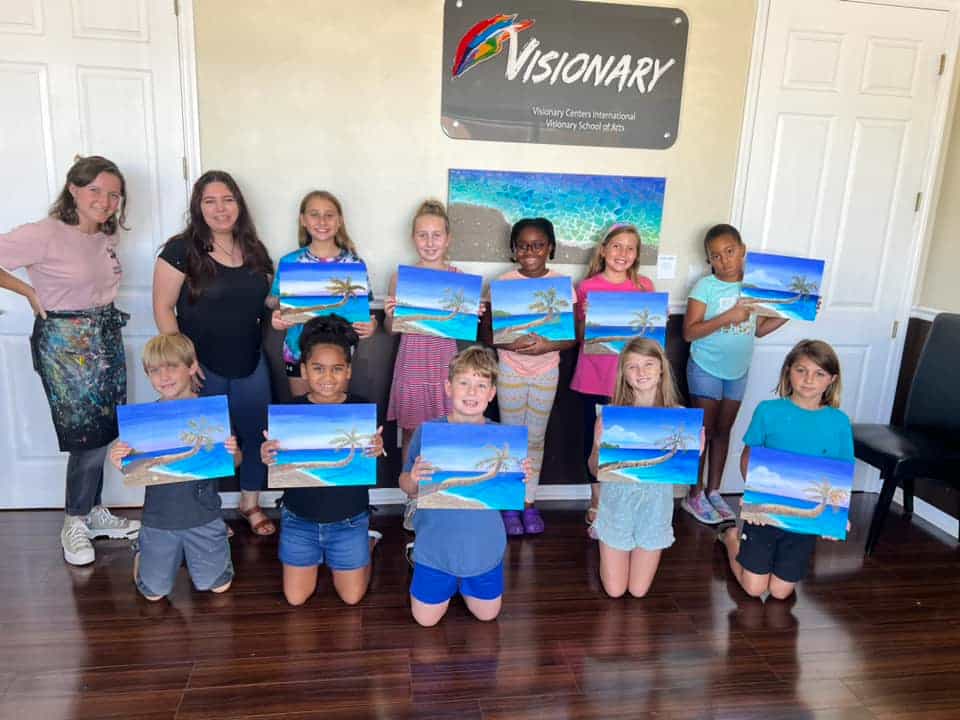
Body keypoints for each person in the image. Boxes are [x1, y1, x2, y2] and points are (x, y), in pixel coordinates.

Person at [0, 155, 139, 565]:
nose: (105, 200)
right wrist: (27, 291)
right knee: (85, 437)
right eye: (95, 189)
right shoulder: (46, 233)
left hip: (105, 336)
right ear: (74, 189)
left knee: (105, 429)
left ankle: (94, 511)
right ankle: (74, 520)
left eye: (113, 194)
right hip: (64, 342)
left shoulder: (103, 237)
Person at [153, 170, 277, 536]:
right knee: (204, 442)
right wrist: (184, 365)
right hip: (202, 367)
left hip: (250, 363)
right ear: (198, 207)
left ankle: (250, 505)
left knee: (256, 437)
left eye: (228, 199)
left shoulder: (254, 249)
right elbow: (163, 308)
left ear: (239, 204)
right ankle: (204, 516)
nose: (220, 208)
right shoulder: (180, 251)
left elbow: (265, 302)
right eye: (210, 201)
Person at [399, 346, 532, 626]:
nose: (472, 392)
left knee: (488, 615)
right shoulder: (427, 432)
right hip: (436, 547)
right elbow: (406, 486)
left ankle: (465, 580)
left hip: (483, 549)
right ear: (448, 387)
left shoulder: (502, 439)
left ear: (492, 393)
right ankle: (420, 559)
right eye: (464, 383)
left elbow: (507, 492)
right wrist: (413, 478)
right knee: (425, 620)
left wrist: (520, 476)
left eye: (481, 385)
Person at [260, 315, 384, 606]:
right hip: (299, 520)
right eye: (318, 369)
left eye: (336, 369)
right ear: (303, 370)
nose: (327, 378)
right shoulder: (289, 411)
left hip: (350, 520)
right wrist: (267, 456)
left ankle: (367, 542)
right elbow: (277, 460)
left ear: (348, 371)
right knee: (296, 598)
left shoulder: (361, 409)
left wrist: (376, 449)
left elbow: (366, 465)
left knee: (352, 598)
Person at [719, 340, 854, 600]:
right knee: (755, 589)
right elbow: (748, 458)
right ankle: (729, 536)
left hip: (803, 519)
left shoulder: (839, 422)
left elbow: (842, 472)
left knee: (780, 593)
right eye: (801, 370)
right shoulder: (768, 411)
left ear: (832, 380)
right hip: (764, 511)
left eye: (819, 374)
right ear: (788, 371)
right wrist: (755, 497)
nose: (808, 380)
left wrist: (838, 515)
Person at [109, 334, 239, 600]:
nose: (163, 376)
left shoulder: (212, 415)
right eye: (155, 370)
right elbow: (134, 469)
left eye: (172, 367)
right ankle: (142, 551)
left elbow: (235, 462)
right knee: (153, 593)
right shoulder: (144, 422)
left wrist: (234, 452)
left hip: (204, 516)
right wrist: (119, 459)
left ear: (191, 367)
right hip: (160, 518)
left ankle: (212, 545)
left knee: (218, 586)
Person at [681, 224, 787, 525]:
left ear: (743, 250)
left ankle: (715, 491)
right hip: (705, 368)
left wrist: (794, 313)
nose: (724, 260)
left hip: (737, 371)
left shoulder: (754, 287)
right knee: (703, 432)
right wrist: (727, 316)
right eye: (716, 256)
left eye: (730, 252)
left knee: (723, 432)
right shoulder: (705, 287)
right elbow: (689, 332)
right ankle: (695, 494)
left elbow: (760, 330)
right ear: (709, 260)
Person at [482, 218, 575, 536]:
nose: (530, 251)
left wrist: (550, 345)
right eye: (523, 245)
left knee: (536, 439)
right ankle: (509, 503)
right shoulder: (502, 282)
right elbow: (488, 333)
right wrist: (512, 343)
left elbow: (571, 336)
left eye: (537, 245)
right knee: (511, 436)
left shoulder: (562, 283)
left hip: (547, 371)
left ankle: (529, 502)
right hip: (509, 369)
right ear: (513, 249)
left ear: (550, 247)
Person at [587, 338, 692, 598]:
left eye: (648, 364)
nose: (641, 372)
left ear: (661, 370)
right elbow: (592, 468)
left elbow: (682, 478)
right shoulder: (610, 414)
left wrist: (693, 450)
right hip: (616, 507)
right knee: (614, 590)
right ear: (623, 373)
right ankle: (602, 535)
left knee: (638, 591)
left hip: (654, 510)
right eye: (632, 366)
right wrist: (599, 443)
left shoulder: (679, 416)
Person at [571, 223, 656, 538]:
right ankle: (597, 503)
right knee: (595, 443)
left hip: (634, 383)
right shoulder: (587, 287)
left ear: (636, 255)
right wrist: (587, 317)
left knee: (627, 444)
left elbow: (652, 341)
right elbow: (580, 338)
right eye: (616, 246)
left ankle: (625, 504)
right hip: (594, 379)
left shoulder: (645, 287)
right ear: (603, 250)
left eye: (630, 248)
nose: (623, 253)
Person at [267, 190, 377, 397]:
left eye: (329, 215)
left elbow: (364, 313)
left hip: (339, 355)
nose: (322, 221)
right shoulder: (290, 262)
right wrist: (278, 318)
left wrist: (372, 326)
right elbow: (274, 302)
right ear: (303, 220)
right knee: (302, 413)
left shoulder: (355, 265)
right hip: (297, 350)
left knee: (335, 416)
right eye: (314, 214)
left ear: (339, 221)